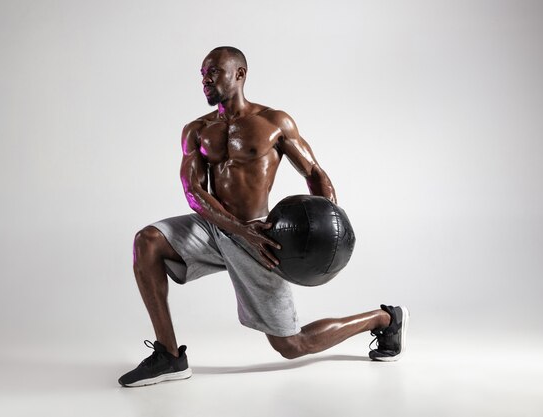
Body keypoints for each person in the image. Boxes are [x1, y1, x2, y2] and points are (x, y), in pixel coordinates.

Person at [118, 46, 409, 387]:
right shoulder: (197, 130)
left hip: (263, 239)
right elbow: (193, 191)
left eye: (213, 72)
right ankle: (169, 355)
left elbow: (313, 172)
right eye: (202, 74)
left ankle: (384, 318)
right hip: (216, 227)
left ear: (239, 74)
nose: (205, 80)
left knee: (291, 344)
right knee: (147, 241)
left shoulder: (274, 122)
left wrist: (328, 224)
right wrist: (238, 230)